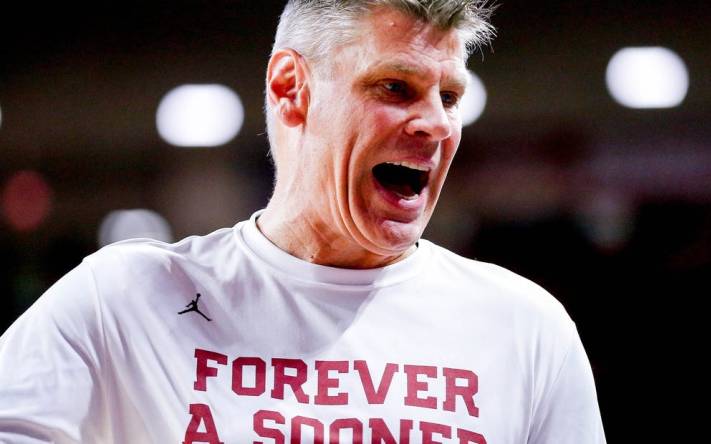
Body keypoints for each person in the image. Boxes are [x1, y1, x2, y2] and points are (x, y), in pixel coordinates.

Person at [0, 1, 607, 442]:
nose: (438, 125)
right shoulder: (123, 299)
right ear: (292, 89)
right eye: (396, 86)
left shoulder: (525, 327)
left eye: (449, 97)